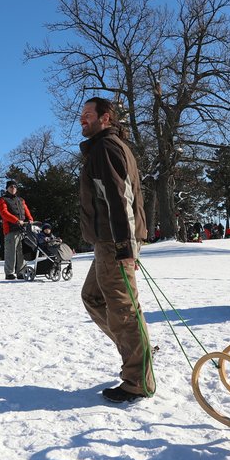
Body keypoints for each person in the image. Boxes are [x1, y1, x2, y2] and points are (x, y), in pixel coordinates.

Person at [78, 96, 155, 404]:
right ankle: (138, 349)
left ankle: (137, 379)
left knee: (124, 311)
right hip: (107, 244)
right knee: (93, 297)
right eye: (81, 115)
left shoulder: (107, 148)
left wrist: (126, 246)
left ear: (105, 118)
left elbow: (119, 198)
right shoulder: (102, 148)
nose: (82, 119)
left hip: (113, 243)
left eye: (88, 114)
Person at [0, 180, 33, 280]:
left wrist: (30, 219)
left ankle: (21, 272)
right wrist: (16, 220)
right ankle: (9, 273)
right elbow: (4, 213)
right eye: (11, 187)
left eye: (14, 187)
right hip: (10, 229)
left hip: (22, 229)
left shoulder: (21, 200)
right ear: (7, 188)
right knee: (10, 252)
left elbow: (26, 210)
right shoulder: (2, 200)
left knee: (22, 251)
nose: (13, 188)